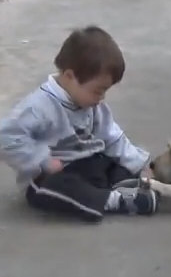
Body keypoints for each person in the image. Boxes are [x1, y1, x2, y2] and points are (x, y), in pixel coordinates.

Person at [0, 25, 160, 222]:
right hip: (54, 173)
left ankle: (127, 186)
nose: (101, 98)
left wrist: (139, 163)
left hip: (88, 165)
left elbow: (112, 137)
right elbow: (6, 137)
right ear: (69, 77)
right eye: (97, 90)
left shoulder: (93, 105)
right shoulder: (38, 107)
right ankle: (113, 200)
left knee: (112, 162)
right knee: (58, 188)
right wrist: (41, 159)